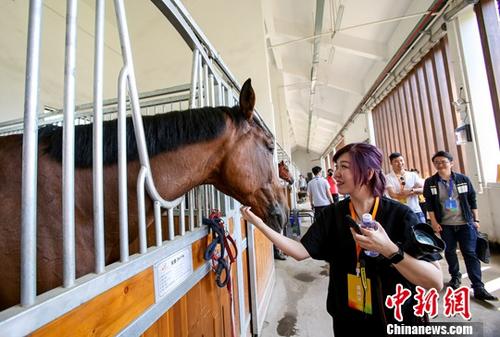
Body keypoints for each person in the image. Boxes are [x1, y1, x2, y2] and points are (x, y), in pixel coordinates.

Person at [241, 143, 443, 336]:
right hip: (349, 318)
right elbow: (300, 251)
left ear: (369, 172)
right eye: (336, 166)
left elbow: (435, 281)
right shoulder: (333, 214)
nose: (336, 173)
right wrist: (260, 224)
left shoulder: (401, 215)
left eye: (344, 167)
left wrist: (389, 249)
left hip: (395, 318)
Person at [424, 150, 498, 301]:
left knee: (470, 253)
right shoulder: (431, 182)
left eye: (443, 161)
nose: (439, 164)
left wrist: (476, 220)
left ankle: (478, 287)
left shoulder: (463, 179)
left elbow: (472, 199)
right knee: (450, 252)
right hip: (445, 225)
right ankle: (455, 277)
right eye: (436, 162)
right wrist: (434, 223)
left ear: (451, 163)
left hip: (466, 223)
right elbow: (429, 204)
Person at [385, 152, 426, 223]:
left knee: (422, 233)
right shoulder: (388, 177)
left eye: (401, 160)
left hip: (415, 210)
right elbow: (393, 195)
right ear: (391, 163)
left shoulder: (413, 175)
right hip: (399, 211)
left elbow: (423, 190)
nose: (400, 163)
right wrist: (414, 191)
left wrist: (411, 190)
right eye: (396, 161)